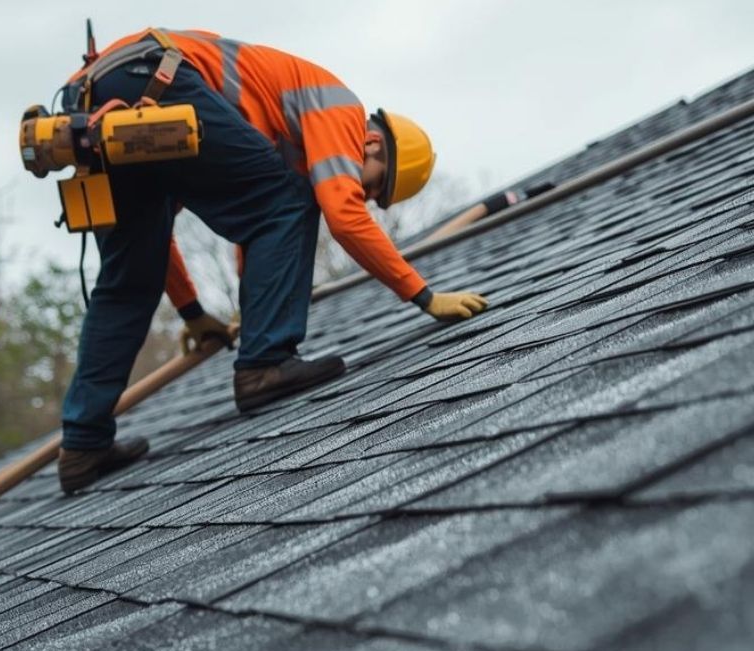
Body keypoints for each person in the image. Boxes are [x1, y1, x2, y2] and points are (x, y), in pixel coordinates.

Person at [55, 28, 488, 493]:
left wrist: (194, 314)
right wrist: (423, 295)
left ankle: (83, 446)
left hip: (94, 98)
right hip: (157, 77)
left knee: (127, 282)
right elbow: (341, 215)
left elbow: (237, 239)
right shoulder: (342, 108)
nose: (363, 195)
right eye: (374, 187)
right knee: (294, 199)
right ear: (374, 146)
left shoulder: (274, 134)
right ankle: (265, 363)